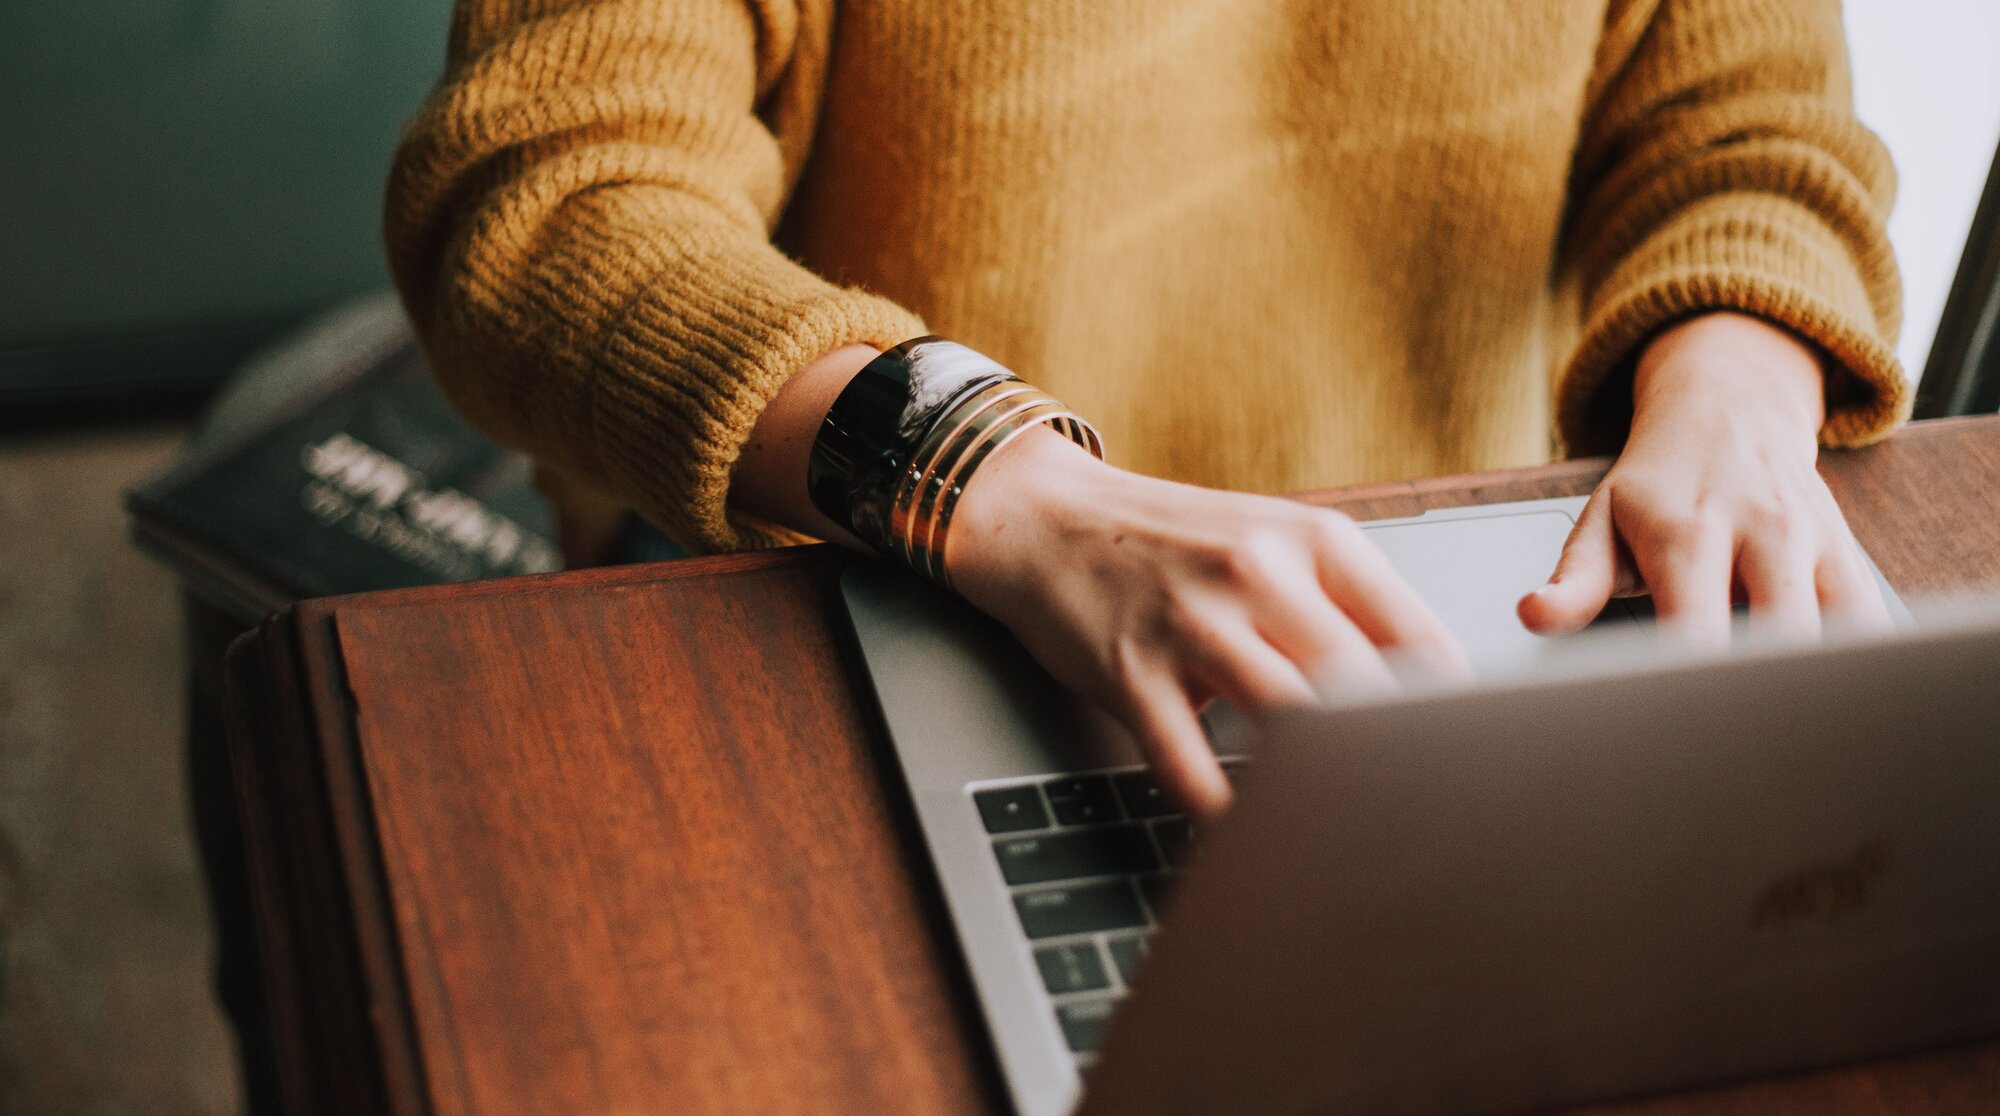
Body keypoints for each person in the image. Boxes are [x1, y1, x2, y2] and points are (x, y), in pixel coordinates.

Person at [385, 0, 1905, 819]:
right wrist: (1005, 484)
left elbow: (1754, 129)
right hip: (878, 592)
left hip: (1459, 631)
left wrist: (1738, 381)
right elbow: (546, 199)